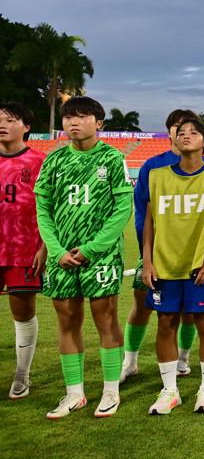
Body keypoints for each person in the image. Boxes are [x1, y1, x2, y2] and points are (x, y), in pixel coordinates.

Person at [35, 97, 133, 419]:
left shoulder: (113, 159)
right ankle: (74, 394)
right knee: (66, 321)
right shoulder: (53, 161)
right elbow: (43, 211)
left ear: (99, 123)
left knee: (105, 319)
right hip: (61, 257)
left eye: (82, 116)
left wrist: (91, 248)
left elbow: (122, 210)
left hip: (100, 255)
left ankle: (110, 391)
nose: (73, 123)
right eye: (68, 117)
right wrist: (57, 249)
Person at [142, 118, 204, 415]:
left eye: (194, 132)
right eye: (181, 133)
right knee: (165, 323)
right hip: (164, 265)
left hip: (200, 266)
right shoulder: (157, 176)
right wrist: (148, 261)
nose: (187, 136)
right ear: (174, 141)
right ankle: (170, 390)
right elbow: (150, 222)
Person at [121, 109, 204, 383]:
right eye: (176, 127)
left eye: (188, 128)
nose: (181, 132)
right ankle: (130, 361)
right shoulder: (153, 166)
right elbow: (142, 214)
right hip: (155, 253)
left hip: (193, 255)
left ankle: (182, 359)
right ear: (170, 131)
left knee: (189, 311)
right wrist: (146, 254)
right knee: (142, 305)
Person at [0, 102, 46, 400]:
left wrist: (43, 246)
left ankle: (21, 375)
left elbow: (49, 208)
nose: (2, 124)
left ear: (26, 127)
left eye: (9, 119)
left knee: (23, 311)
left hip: (24, 249)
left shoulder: (40, 161)